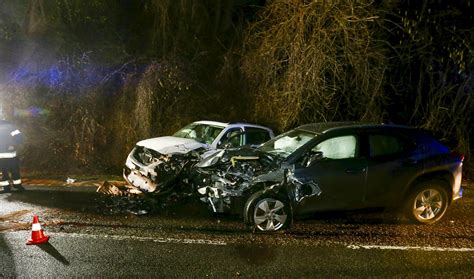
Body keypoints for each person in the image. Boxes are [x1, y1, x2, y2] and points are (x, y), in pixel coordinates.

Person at [0, 106, 24, 193]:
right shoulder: (9, 125)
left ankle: (8, 187)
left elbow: (19, 137)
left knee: (3, 172)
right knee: (12, 170)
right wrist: (14, 145)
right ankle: (17, 186)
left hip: (9, 154)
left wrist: (13, 144)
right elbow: (19, 137)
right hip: (10, 153)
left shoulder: (9, 126)